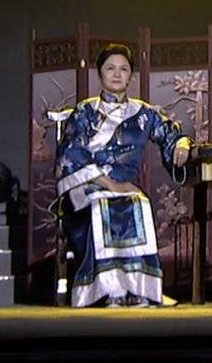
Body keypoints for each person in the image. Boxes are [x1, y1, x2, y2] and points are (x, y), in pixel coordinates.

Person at [53, 43, 191, 307]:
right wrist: (108, 184)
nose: (117, 74)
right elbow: (71, 155)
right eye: (110, 68)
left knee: (137, 203)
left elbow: (170, 135)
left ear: (131, 76)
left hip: (124, 188)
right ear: (100, 73)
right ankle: (108, 291)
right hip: (86, 185)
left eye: (124, 69)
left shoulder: (143, 113)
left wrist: (181, 144)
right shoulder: (84, 112)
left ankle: (140, 290)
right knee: (107, 204)